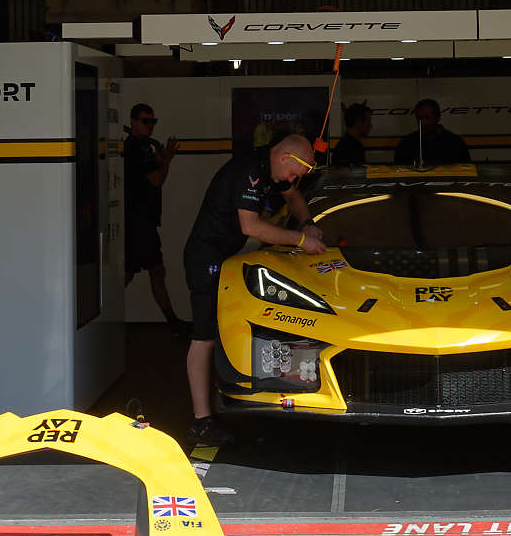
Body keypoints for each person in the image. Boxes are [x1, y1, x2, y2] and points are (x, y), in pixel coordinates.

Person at [184, 133, 323, 445]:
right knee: (204, 337)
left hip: (228, 258)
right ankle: (200, 420)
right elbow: (251, 227)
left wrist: (307, 222)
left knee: (227, 332)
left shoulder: (273, 166)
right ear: (286, 158)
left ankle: (229, 400)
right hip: (206, 257)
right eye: (295, 174)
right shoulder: (249, 171)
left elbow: (293, 198)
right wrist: (302, 241)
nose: (294, 180)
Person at [122, 103, 182, 333]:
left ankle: (172, 322)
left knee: (152, 271)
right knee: (148, 271)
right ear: (134, 121)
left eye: (152, 121)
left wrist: (163, 159)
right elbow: (157, 180)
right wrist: (166, 160)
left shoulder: (144, 147)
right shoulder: (138, 148)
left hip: (142, 221)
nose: (150, 126)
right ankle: (173, 322)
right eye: (145, 121)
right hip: (138, 223)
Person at [394, 97, 471, 166]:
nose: (422, 122)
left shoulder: (455, 143)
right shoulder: (407, 144)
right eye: (419, 118)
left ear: (438, 117)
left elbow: (467, 171)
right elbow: (399, 172)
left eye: (426, 117)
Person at [330, 102, 372, 166]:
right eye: (368, 122)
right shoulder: (346, 150)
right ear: (358, 122)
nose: (370, 126)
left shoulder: (348, 146)